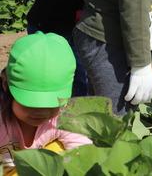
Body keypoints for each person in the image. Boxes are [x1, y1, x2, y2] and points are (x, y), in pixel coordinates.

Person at [0, 32, 91, 174]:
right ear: (6, 85)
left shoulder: (63, 116)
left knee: (63, 152)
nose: (41, 111)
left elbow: (84, 151)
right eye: (30, 102)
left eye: (51, 103)